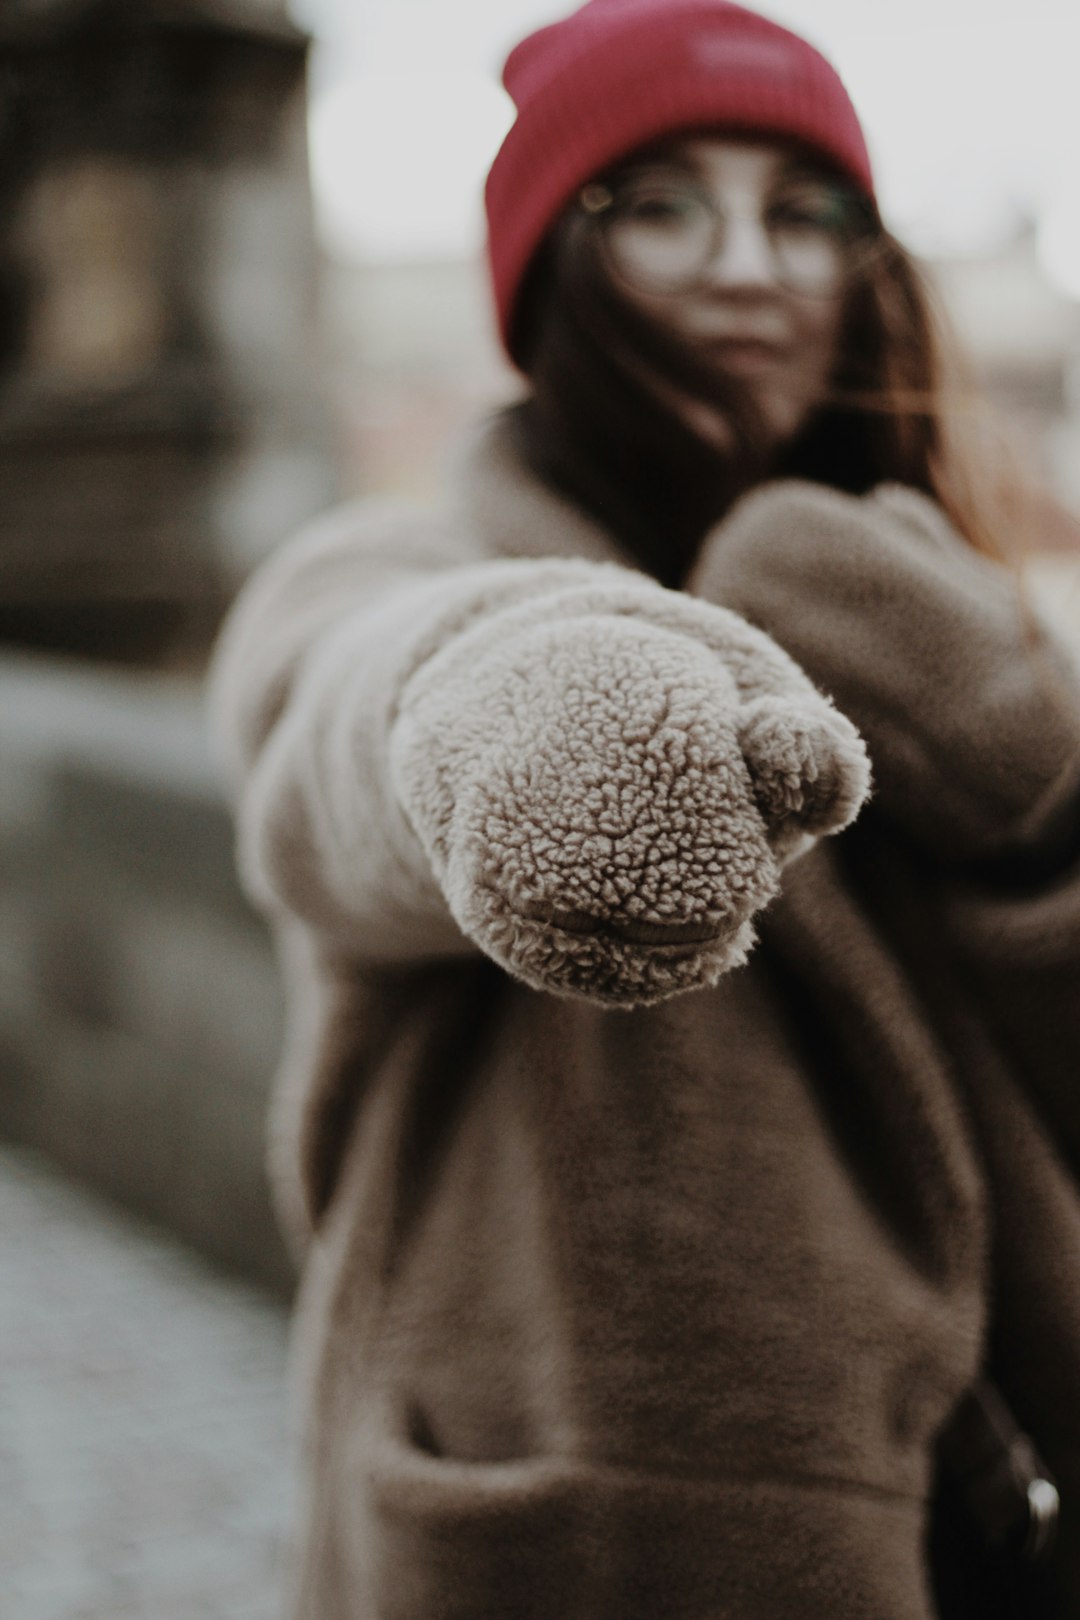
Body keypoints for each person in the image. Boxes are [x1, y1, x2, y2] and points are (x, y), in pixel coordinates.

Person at [209, 2, 1080, 1615]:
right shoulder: (399, 575)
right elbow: (337, 726)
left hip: (979, 1526)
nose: (748, 266)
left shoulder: (964, 611)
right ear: (549, 266)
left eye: (802, 210)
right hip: (571, 1537)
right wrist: (544, 699)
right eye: (663, 205)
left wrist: (1012, 766)